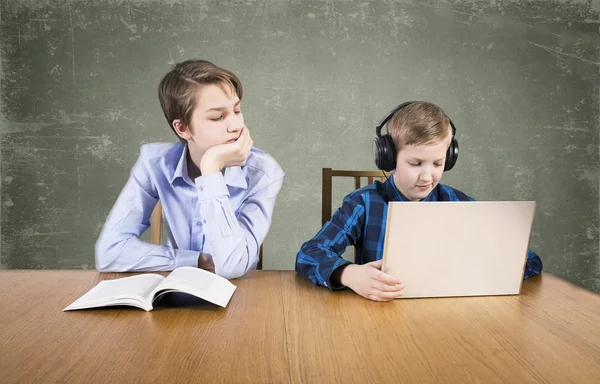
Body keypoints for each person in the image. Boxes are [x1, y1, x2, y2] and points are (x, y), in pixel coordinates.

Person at [295, 101, 542, 301]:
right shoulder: (363, 203)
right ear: (388, 158)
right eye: (415, 163)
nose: (427, 176)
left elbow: (529, 260)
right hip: (379, 317)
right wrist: (348, 274)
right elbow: (310, 254)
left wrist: (491, 264)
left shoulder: (459, 204)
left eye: (438, 163)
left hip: (447, 319)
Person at [96, 59, 285, 279]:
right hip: (175, 289)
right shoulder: (154, 162)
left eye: (236, 110)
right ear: (183, 128)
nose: (236, 126)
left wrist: (211, 169)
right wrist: (197, 260)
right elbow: (109, 253)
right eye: (218, 116)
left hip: (238, 298)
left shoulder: (263, 172)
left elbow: (231, 266)